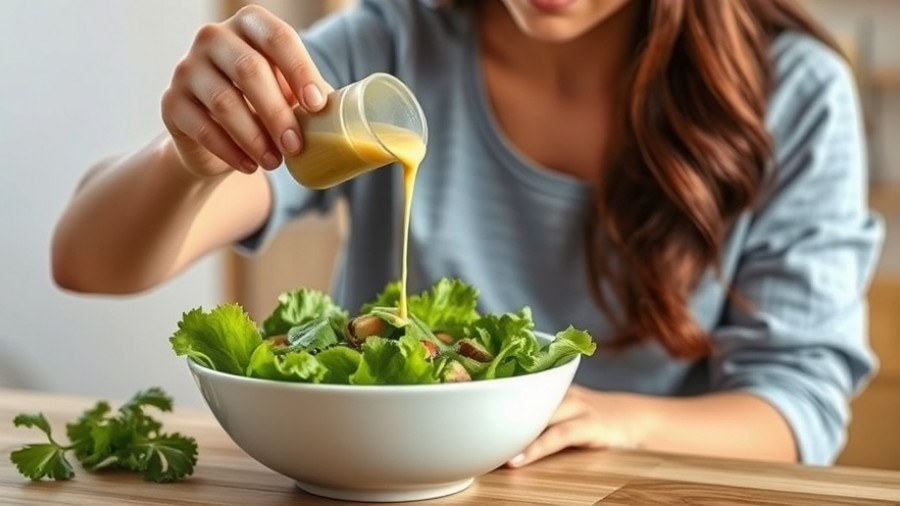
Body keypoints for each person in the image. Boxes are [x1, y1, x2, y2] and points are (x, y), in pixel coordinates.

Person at [51, 0, 883, 467]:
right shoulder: (390, 44)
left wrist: (622, 421)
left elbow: (799, 405)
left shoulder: (793, 96)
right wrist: (190, 157)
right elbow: (88, 263)